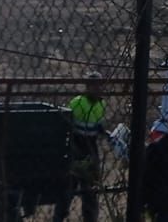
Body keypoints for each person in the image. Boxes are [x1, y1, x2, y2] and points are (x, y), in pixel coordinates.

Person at [54, 72, 107, 222]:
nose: (98, 89)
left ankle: (89, 218)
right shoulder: (77, 102)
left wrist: (105, 132)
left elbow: (98, 125)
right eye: (94, 86)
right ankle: (59, 216)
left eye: (100, 86)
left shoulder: (101, 104)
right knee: (69, 187)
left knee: (90, 190)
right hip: (76, 147)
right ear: (88, 87)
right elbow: (68, 124)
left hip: (91, 148)